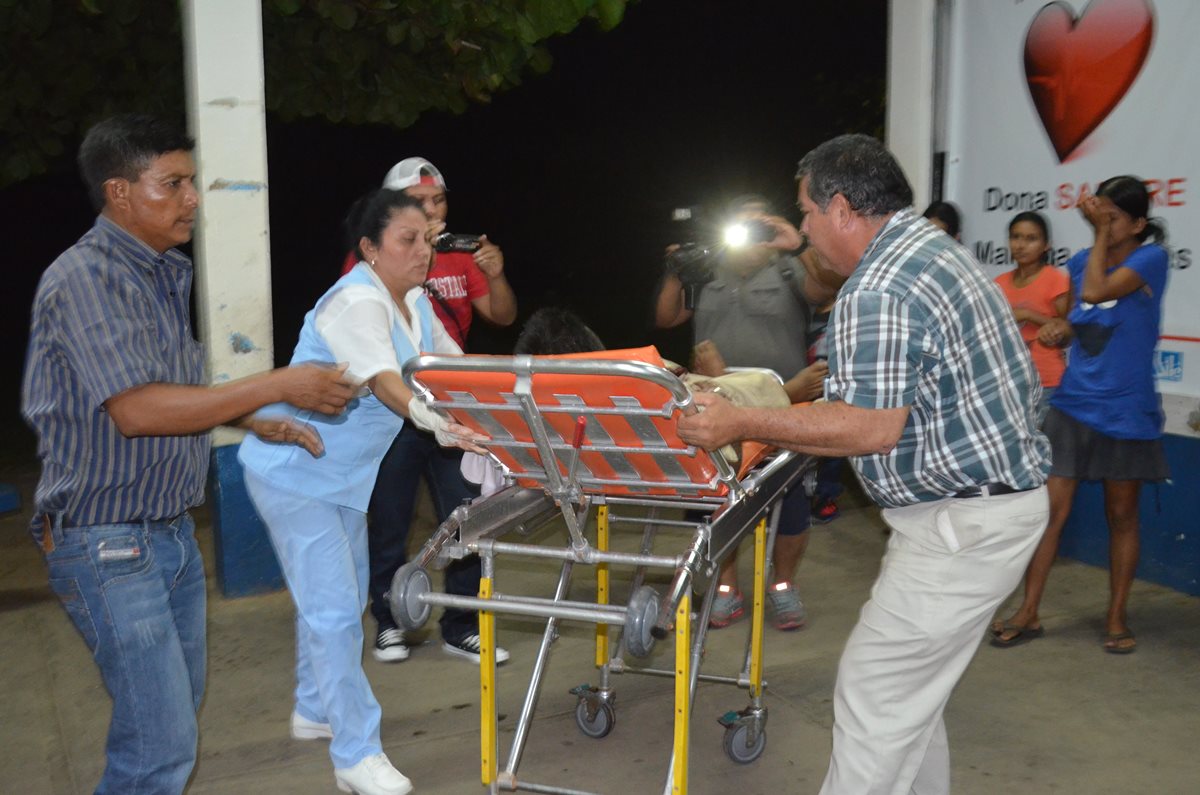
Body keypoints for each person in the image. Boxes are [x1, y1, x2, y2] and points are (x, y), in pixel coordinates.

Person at [677, 134, 1051, 794]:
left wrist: (742, 420)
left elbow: (869, 427)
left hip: (961, 525)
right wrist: (800, 251)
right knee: (909, 705)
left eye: (808, 214)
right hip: (987, 509)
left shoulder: (879, 287)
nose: (803, 228)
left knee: (874, 694)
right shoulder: (927, 250)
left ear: (843, 208)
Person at [21, 114, 357, 795]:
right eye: (171, 184)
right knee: (159, 747)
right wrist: (282, 382)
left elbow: (168, 391)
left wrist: (251, 417)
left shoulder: (161, 273)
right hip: (106, 542)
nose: (192, 198)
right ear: (119, 193)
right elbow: (138, 409)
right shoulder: (86, 278)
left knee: (165, 735)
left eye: (191, 181)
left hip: (166, 537)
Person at [239, 189, 484, 795]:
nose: (423, 251)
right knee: (333, 615)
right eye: (408, 239)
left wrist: (514, 404)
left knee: (337, 607)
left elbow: (460, 373)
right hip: (292, 472)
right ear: (370, 248)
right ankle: (356, 754)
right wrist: (440, 424)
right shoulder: (355, 302)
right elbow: (385, 381)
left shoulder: (417, 304)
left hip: (342, 480)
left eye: (428, 238)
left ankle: (314, 709)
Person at [990, 176, 1170, 654]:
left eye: (1113, 217)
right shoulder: (1080, 263)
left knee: (1122, 514)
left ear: (1138, 223)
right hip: (1074, 402)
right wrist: (1057, 331)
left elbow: (1096, 293)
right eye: (1099, 215)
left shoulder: (1151, 258)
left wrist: (1097, 237)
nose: (1102, 223)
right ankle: (1028, 612)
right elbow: (1082, 322)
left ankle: (1116, 617)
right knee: (1048, 512)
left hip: (1126, 407)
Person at [655, 194, 839, 631]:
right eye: (739, 226)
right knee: (720, 500)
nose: (747, 236)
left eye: (758, 226)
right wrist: (675, 269)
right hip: (717, 404)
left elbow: (830, 284)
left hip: (782, 403)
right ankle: (726, 587)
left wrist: (791, 243)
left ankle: (784, 585)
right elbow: (665, 318)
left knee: (791, 500)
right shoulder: (707, 272)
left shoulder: (791, 270)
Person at [362, 158, 517, 664]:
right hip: (393, 412)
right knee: (390, 518)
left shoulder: (461, 256)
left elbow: (501, 316)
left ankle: (461, 623)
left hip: (450, 408)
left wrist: (494, 273)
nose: (432, 211)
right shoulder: (376, 254)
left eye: (438, 201)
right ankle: (389, 620)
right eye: (418, 203)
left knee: (469, 515)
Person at [993, 211, 1069, 424]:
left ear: (1046, 245)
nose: (1020, 245)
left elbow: (1071, 329)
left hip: (1047, 381)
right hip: (1008, 382)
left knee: (1042, 450)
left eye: (1031, 239)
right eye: (1015, 237)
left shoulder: (1055, 280)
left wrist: (1029, 315)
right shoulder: (999, 283)